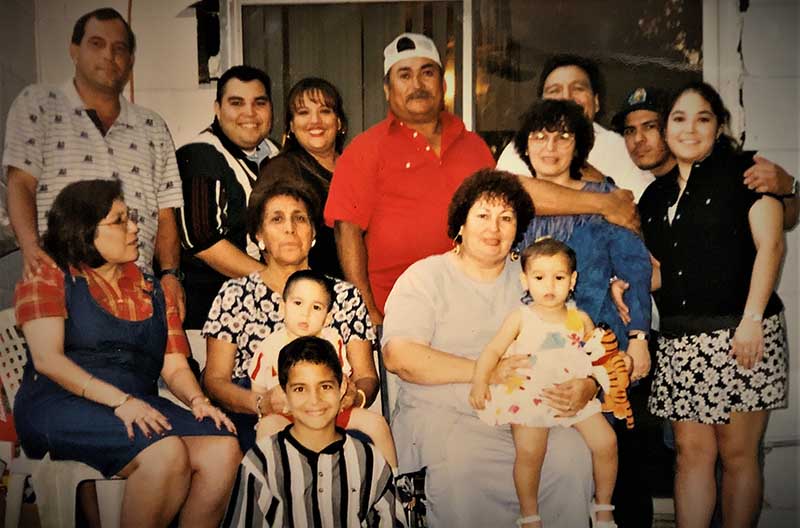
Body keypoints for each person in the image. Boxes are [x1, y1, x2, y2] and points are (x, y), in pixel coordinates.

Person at [13, 179, 240, 527]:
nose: (135, 227)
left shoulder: (151, 288)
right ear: (84, 229)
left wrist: (198, 401)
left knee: (222, 449)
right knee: (165, 455)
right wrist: (120, 402)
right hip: (60, 402)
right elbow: (48, 360)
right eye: (120, 220)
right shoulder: (50, 274)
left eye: (131, 217)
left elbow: (174, 365)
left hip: (135, 402)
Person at [382, 168, 597, 527]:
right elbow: (399, 356)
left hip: (528, 415)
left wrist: (587, 385)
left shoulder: (533, 279)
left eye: (506, 218)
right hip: (447, 414)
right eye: (482, 215)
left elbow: (579, 344)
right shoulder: (425, 277)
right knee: (465, 467)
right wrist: (486, 371)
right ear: (460, 225)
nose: (494, 228)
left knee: (572, 457)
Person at [638, 81, 789, 528]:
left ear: (718, 126)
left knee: (738, 453)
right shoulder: (655, 195)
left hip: (742, 330)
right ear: (665, 130)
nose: (690, 129)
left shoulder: (746, 171)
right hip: (681, 338)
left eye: (702, 118)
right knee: (690, 454)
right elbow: (660, 271)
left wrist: (752, 319)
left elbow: (772, 247)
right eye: (678, 119)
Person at [3, 7, 185, 314]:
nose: (108, 55)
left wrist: (170, 275)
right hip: (61, 286)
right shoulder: (38, 106)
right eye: (96, 44)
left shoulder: (152, 125)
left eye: (119, 48)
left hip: (136, 291)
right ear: (74, 51)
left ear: (130, 61)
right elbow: (19, 184)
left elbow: (165, 213)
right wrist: (32, 250)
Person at [202, 179, 379, 452]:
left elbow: (367, 374)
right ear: (258, 236)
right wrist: (261, 403)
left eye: (300, 219)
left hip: (327, 409)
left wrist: (354, 397)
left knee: (361, 447)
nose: (289, 228)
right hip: (255, 411)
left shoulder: (344, 295)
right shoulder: (235, 293)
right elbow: (214, 380)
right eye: (277, 219)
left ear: (313, 234)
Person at [470, 238, 620, 528]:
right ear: (525, 281)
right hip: (531, 395)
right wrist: (480, 381)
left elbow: (599, 357)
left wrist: (612, 367)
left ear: (573, 280)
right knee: (530, 451)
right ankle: (530, 514)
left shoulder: (581, 319)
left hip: (572, 396)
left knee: (607, 442)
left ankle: (603, 506)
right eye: (539, 278)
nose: (549, 286)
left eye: (559, 277)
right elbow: (492, 350)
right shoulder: (521, 317)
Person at [223, 336, 400, 528]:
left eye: (325, 386)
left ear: (341, 389)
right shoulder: (260, 463)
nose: (314, 400)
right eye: (300, 389)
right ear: (285, 395)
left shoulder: (369, 460)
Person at [248, 269, 397, 467]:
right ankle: (270, 489)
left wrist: (344, 397)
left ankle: (395, 485)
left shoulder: (333, 341)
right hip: (287, 414)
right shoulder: (268, 347)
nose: (305, 313)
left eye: (316, 307)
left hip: (329, 412)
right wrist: (264, 409)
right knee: (266, 429)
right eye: (298, 303)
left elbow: (342, 380)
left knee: (377, 424)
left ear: (327, 317)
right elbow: (258, 391)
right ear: (282, 308)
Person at [175, 65, 280, 330]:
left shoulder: (277, 155)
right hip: (212, 315)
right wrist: (274, 279)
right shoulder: (200, 156)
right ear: (217, 109)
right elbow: (202, 240)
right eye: (236, 103)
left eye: (259, 102)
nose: (249, 113)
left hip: (268, 306)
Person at [612, 85, 799, 229]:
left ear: (669, 128)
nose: (638, 139)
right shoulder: (651, 197)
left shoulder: (730, 172)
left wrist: (789, 188)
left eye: (649, 126)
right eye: (630, 130)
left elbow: (782, 222)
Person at [497, 54, 654, 201]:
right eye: (555, 90)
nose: (566, 97)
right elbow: (507, 200)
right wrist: (605, 202)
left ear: (596, 102)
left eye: (578, 88)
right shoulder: (519, 149)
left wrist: (603, 184)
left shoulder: (621, 149)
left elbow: (638, 208)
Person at [259, 77, 348, 278]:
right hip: (306, 293)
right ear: (291, 125)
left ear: (339, 121)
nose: (315, 121)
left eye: (325, 111)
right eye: (303, 113)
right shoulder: (281, 170)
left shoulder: (356, 166)